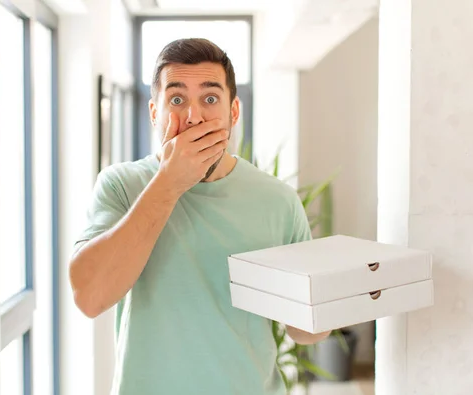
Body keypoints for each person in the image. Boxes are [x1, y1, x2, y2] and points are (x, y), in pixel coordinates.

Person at [69, 38, 331, 395]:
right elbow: (89, 297)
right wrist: (169, 183)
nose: (193, 117)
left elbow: (307, 331)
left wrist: (340, 297)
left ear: (233, 112)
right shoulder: (121, 186)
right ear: (153, 112)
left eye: (210, 99)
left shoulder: (278, 201)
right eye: (176, 99)